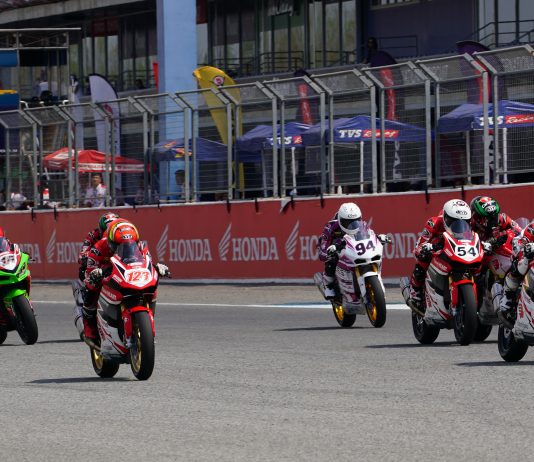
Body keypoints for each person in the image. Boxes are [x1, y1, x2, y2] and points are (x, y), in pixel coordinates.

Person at [81, 219, 170, 343]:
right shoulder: (98, 248)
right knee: (91, 288)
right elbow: (89, 271)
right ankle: (90, 329)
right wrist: (95, 273)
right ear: (111, 242)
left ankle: (143, 324)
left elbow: (147, 262)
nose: (125, 247)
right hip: (105, 271)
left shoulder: (140, 246)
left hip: (125, 272)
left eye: (130, 244)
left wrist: (157, 268)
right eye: (119, 245)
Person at [408, 199, 473, 309]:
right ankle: (415, 291)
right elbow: (419, 245)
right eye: (454, 221)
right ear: (446, 218)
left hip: (458, 251)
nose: (459, 225)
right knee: (422, 261)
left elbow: (474, 238)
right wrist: (425, 248)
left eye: (464, 222)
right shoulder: (434, 223)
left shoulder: (469, 226)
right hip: (438, 250)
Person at [318, 202, 390, 299]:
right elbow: (323, 247)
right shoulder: (330, 227)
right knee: (331, 259)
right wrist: (328, 251)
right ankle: (328, 284)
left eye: (355, 221)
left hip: (353, 249)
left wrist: (378, 237)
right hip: (336, 249)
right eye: (347, 222)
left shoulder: (363, 225)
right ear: (340, 220)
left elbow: (369, 235)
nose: (352, 225)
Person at [498, 222, 534, 327]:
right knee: (521, 265)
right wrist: (527, 248)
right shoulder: (532, 228)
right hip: (525, 249)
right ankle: (507, 298)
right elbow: (523, 240)